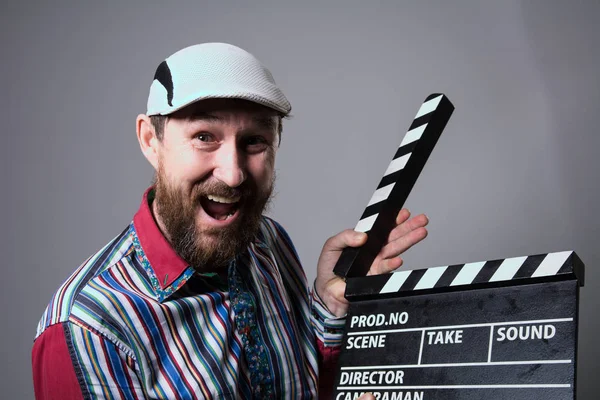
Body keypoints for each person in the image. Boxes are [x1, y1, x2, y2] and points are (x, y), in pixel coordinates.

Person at [32, 43, 429, 399]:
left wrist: (328, 305)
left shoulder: (267, 243)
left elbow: (308, 385)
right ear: (151, 141)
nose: (234, 173)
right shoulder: (88, 329)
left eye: (254, 140)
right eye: (204, 136)